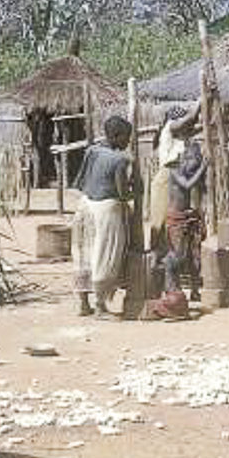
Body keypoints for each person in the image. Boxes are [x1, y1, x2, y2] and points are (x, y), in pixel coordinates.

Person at [71, 115, 133, 318]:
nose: (128, 142)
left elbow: (80, 180)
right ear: (116, 136)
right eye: (126, 137)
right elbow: (123, 194)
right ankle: (99, 306)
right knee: (105, 256)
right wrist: (136, 190)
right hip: (106, 210)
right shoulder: (119, 160)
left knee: (84, 255)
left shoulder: (91, 151)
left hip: (85, 206)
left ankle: (82, 304)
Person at [149, 105, 200, 256]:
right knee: (161, 219)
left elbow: (194, 124)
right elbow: (190, 118)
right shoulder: (169, 128)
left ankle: (168, 254)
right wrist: (199, 103)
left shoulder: (180, 136)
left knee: (173, 220)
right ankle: (156, 256)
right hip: (166, 178)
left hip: (175, 177)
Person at [164, 141, 207, 301]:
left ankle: (195, 291)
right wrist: (202, 167)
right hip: (176, 218)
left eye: (195, 164)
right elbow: (187, 185)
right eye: (190, 161)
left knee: (195, 257)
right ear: (183, 158)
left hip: (188, 216)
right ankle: (172, 289)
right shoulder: (174, 170)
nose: (192, 167)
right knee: (178, 255)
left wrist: (197, 215)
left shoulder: (192, 173)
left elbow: (198, 192)